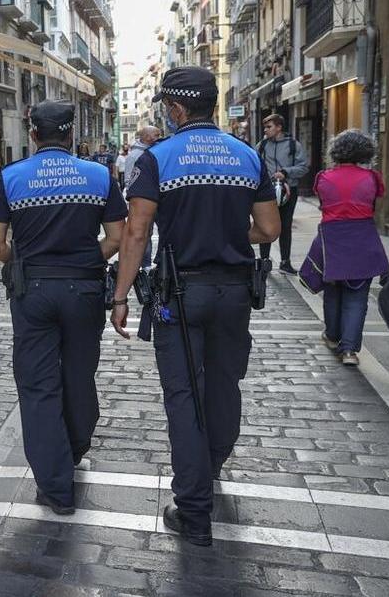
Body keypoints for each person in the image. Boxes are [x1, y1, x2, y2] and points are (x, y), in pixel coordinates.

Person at [111, 66, 281, 546]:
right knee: (225, 383)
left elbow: (138, 233)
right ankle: (213, 462)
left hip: (180, 293)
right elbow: (268, 230)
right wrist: (229, 236)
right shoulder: (247, 155)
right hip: (233, 292)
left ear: (176, 108)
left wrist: (121, 296)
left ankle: (194, 509)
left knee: (183, 396)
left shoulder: (157, 158)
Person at [0, 100, 127, 515]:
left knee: (37, 384)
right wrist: (87, 259)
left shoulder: (10, 178)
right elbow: (117, 237)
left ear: (33, 134)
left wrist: (25, 261)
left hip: (33, 291)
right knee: (80, 372)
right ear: (71, 134)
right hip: (83, 288)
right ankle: (77, 443)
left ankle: (55, 485)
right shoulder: (99, 175)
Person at [301, 130, 389, 366]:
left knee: (332, 291)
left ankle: (332, 336)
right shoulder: (372, 178)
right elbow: (376, 201)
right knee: (357, 296)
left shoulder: (323, 177)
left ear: (336, 151)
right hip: (363, 237)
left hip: (332, 238)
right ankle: (349, 350)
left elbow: (322, 203)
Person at [257, 113, 309, 273]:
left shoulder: (294, 145)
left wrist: (286, 172)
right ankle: (264, 261)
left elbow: (304, 167)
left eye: (269, 127)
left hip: (288, 191)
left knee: (285, 226)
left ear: (279, 127)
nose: (266, 130)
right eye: (265, 127)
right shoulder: (262, 145)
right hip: (267, 192)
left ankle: (285, 262)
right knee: (265, 225)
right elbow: (254, 163)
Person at [125, 126, 162, 268]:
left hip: (157, 197)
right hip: (143, 198)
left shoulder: (155, 151)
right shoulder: (134, 155)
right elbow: (129, 178)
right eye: (156, 135)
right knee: (144, 232)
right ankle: (144, 264)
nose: (158, 137)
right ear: (145, 137)